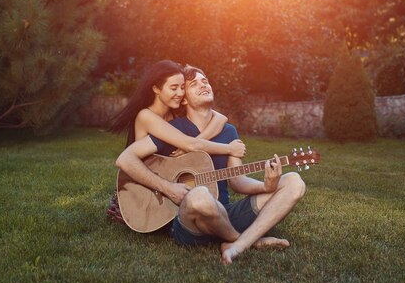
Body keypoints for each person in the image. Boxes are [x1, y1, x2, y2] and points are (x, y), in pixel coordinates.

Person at [115, 65, 306, 264]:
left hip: (224, 213)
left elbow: (237, 181)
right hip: (191, 220)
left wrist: (266, 186)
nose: (202, 85)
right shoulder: (174, 129)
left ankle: (235, 243)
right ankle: (247, 240)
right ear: (185, 99)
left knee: (294, 181)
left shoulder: (228, 130)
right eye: (194, 84)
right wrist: (169, 188)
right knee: (199, 196)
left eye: (204, 81)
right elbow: (127, 158)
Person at [109, 59, 246, 156]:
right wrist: (229, 149)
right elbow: (191, 144)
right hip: (142, 188)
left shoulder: (174, 113)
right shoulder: (146, 116)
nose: (180, 93)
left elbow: (220, 118)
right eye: (174, 88)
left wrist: (195, 142)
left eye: (182, 87)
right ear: (156, 89)